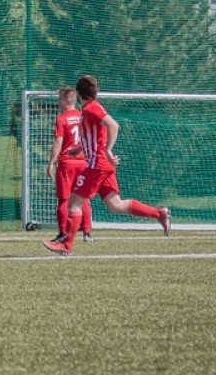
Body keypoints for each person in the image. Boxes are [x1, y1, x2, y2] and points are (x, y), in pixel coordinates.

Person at [43, 75, 170, 257]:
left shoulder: (91, 108)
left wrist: (109, 150)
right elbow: (96, 134)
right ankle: (159, 214)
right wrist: (79, 148)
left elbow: (113, 125)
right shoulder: (88, 109)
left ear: (78, 94)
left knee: (74, 203)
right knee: (115, 205)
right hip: (102, 164)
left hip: (97, 165)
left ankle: (66, 246)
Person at [46, 86, 93, 243]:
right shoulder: (83, 116)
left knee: (63, 199)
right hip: (83, 162)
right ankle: (87, 233)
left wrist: (51, 162)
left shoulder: (62, 118)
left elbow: (58, 142)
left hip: (67, 164)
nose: (58, 102)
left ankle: (63, 233)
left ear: (67, 100)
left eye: (60, 99)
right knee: (83, 198)